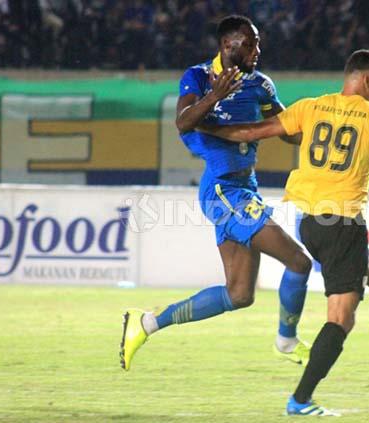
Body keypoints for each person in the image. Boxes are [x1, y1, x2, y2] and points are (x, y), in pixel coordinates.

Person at [201, 49, 369, 416]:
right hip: (343, 225)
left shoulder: (310, 107)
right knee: (341, 319)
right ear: (365, 80)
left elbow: (252, 132)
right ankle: (300, 401)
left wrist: (201, 125)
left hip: (310, 223)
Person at [120, 15, 312, 372]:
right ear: (229, 46)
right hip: (223, 190)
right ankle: (286, 340)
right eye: (252, 43)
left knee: (239, 295)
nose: (258, 50)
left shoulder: (260, 85)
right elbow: (184, 121)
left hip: (245, 186)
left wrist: (319, 129)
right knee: (298, 261)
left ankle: (145, 324)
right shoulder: (197, 77)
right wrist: (215, 95)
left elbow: (286, 129)